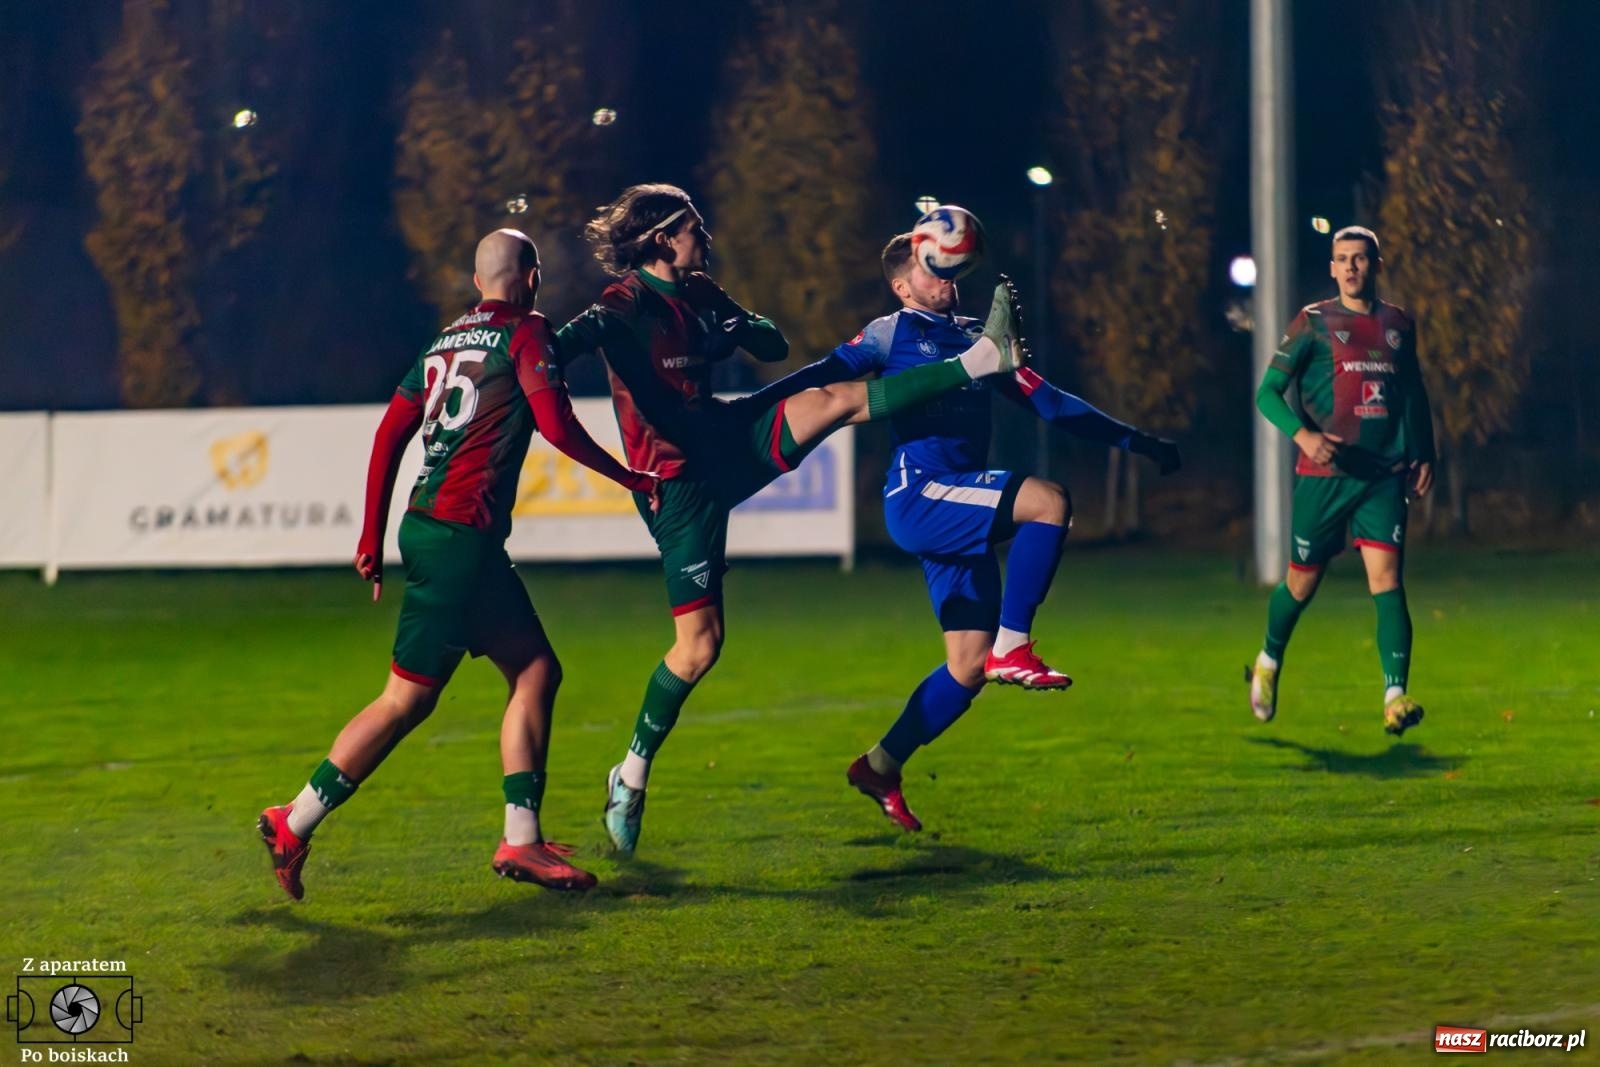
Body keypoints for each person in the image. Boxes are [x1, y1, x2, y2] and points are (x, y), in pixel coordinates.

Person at [553, 183, 1027, 853]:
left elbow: (772, 346)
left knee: (835, 397)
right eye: (693, 227)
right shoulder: (622, 304)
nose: (704, 237)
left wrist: (734, 323)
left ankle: (975, 361)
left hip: (723, 438)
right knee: (699, 648)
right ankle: (629, 775)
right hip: (678, 484)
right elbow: (559, 346)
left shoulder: (698, 290)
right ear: (662, 238)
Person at [258, 229, 658, 899]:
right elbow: (556, 425)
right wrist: (632, 476)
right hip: (460, 536)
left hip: (432, 529)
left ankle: (517, 837)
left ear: (478, 283)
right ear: (529, 276)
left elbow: (390, 432)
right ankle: (296, 819)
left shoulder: (443, 342)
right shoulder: (527, 333)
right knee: (408, 698)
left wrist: (369, 535)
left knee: (526, 670)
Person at [736, 232, 1181, 831]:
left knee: (967, 668)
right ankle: (1014, 644)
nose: (948, 279)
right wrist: (739, 414)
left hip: (957, 502)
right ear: (902, 285)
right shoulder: (889, 334)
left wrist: (1139, 441)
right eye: (933, 270)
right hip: (920, 493)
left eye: (952, 270)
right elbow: (821, 377)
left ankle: (880, 765)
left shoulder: (980, 340)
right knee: (1048, 502)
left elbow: (1050, 403)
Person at [1248, 225, 1435, 735]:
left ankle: (1395, 696)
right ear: (1332, 268)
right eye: (1342, 259)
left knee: (1388, 580)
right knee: (1301, 583)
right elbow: (1268, 393)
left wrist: (1424, 452)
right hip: (1325, 476)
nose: (1351, 266)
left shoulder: (1399, 323)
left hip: (1382, 476)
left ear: (1376, 264)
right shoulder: (1312, 323)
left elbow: (1413, 393)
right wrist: (1302, 435)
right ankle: (1268, 660)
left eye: (1360, 258)